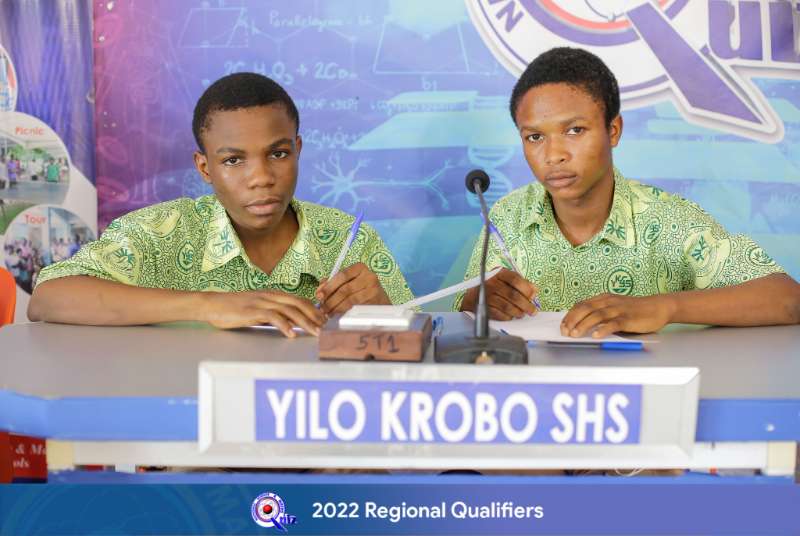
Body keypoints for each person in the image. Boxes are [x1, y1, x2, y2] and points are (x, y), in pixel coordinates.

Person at [29, 73, 414, 337]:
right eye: (233, 160)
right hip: (191, 422)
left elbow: (421, 340)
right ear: (205, 168)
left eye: (278, 154)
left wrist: (383, 311)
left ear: (297, 150)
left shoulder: (349, 239)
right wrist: (208, 305)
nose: (260, 177)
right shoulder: (161, 233)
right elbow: (49, 297)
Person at [456, 47, 800, 337]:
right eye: (534, 137)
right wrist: (479, 300)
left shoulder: (669, 220)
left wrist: (665, 307)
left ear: (613, 130)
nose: (553, 154)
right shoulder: (507, 216)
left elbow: (789, 300)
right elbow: (467, 308)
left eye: (575, 130)